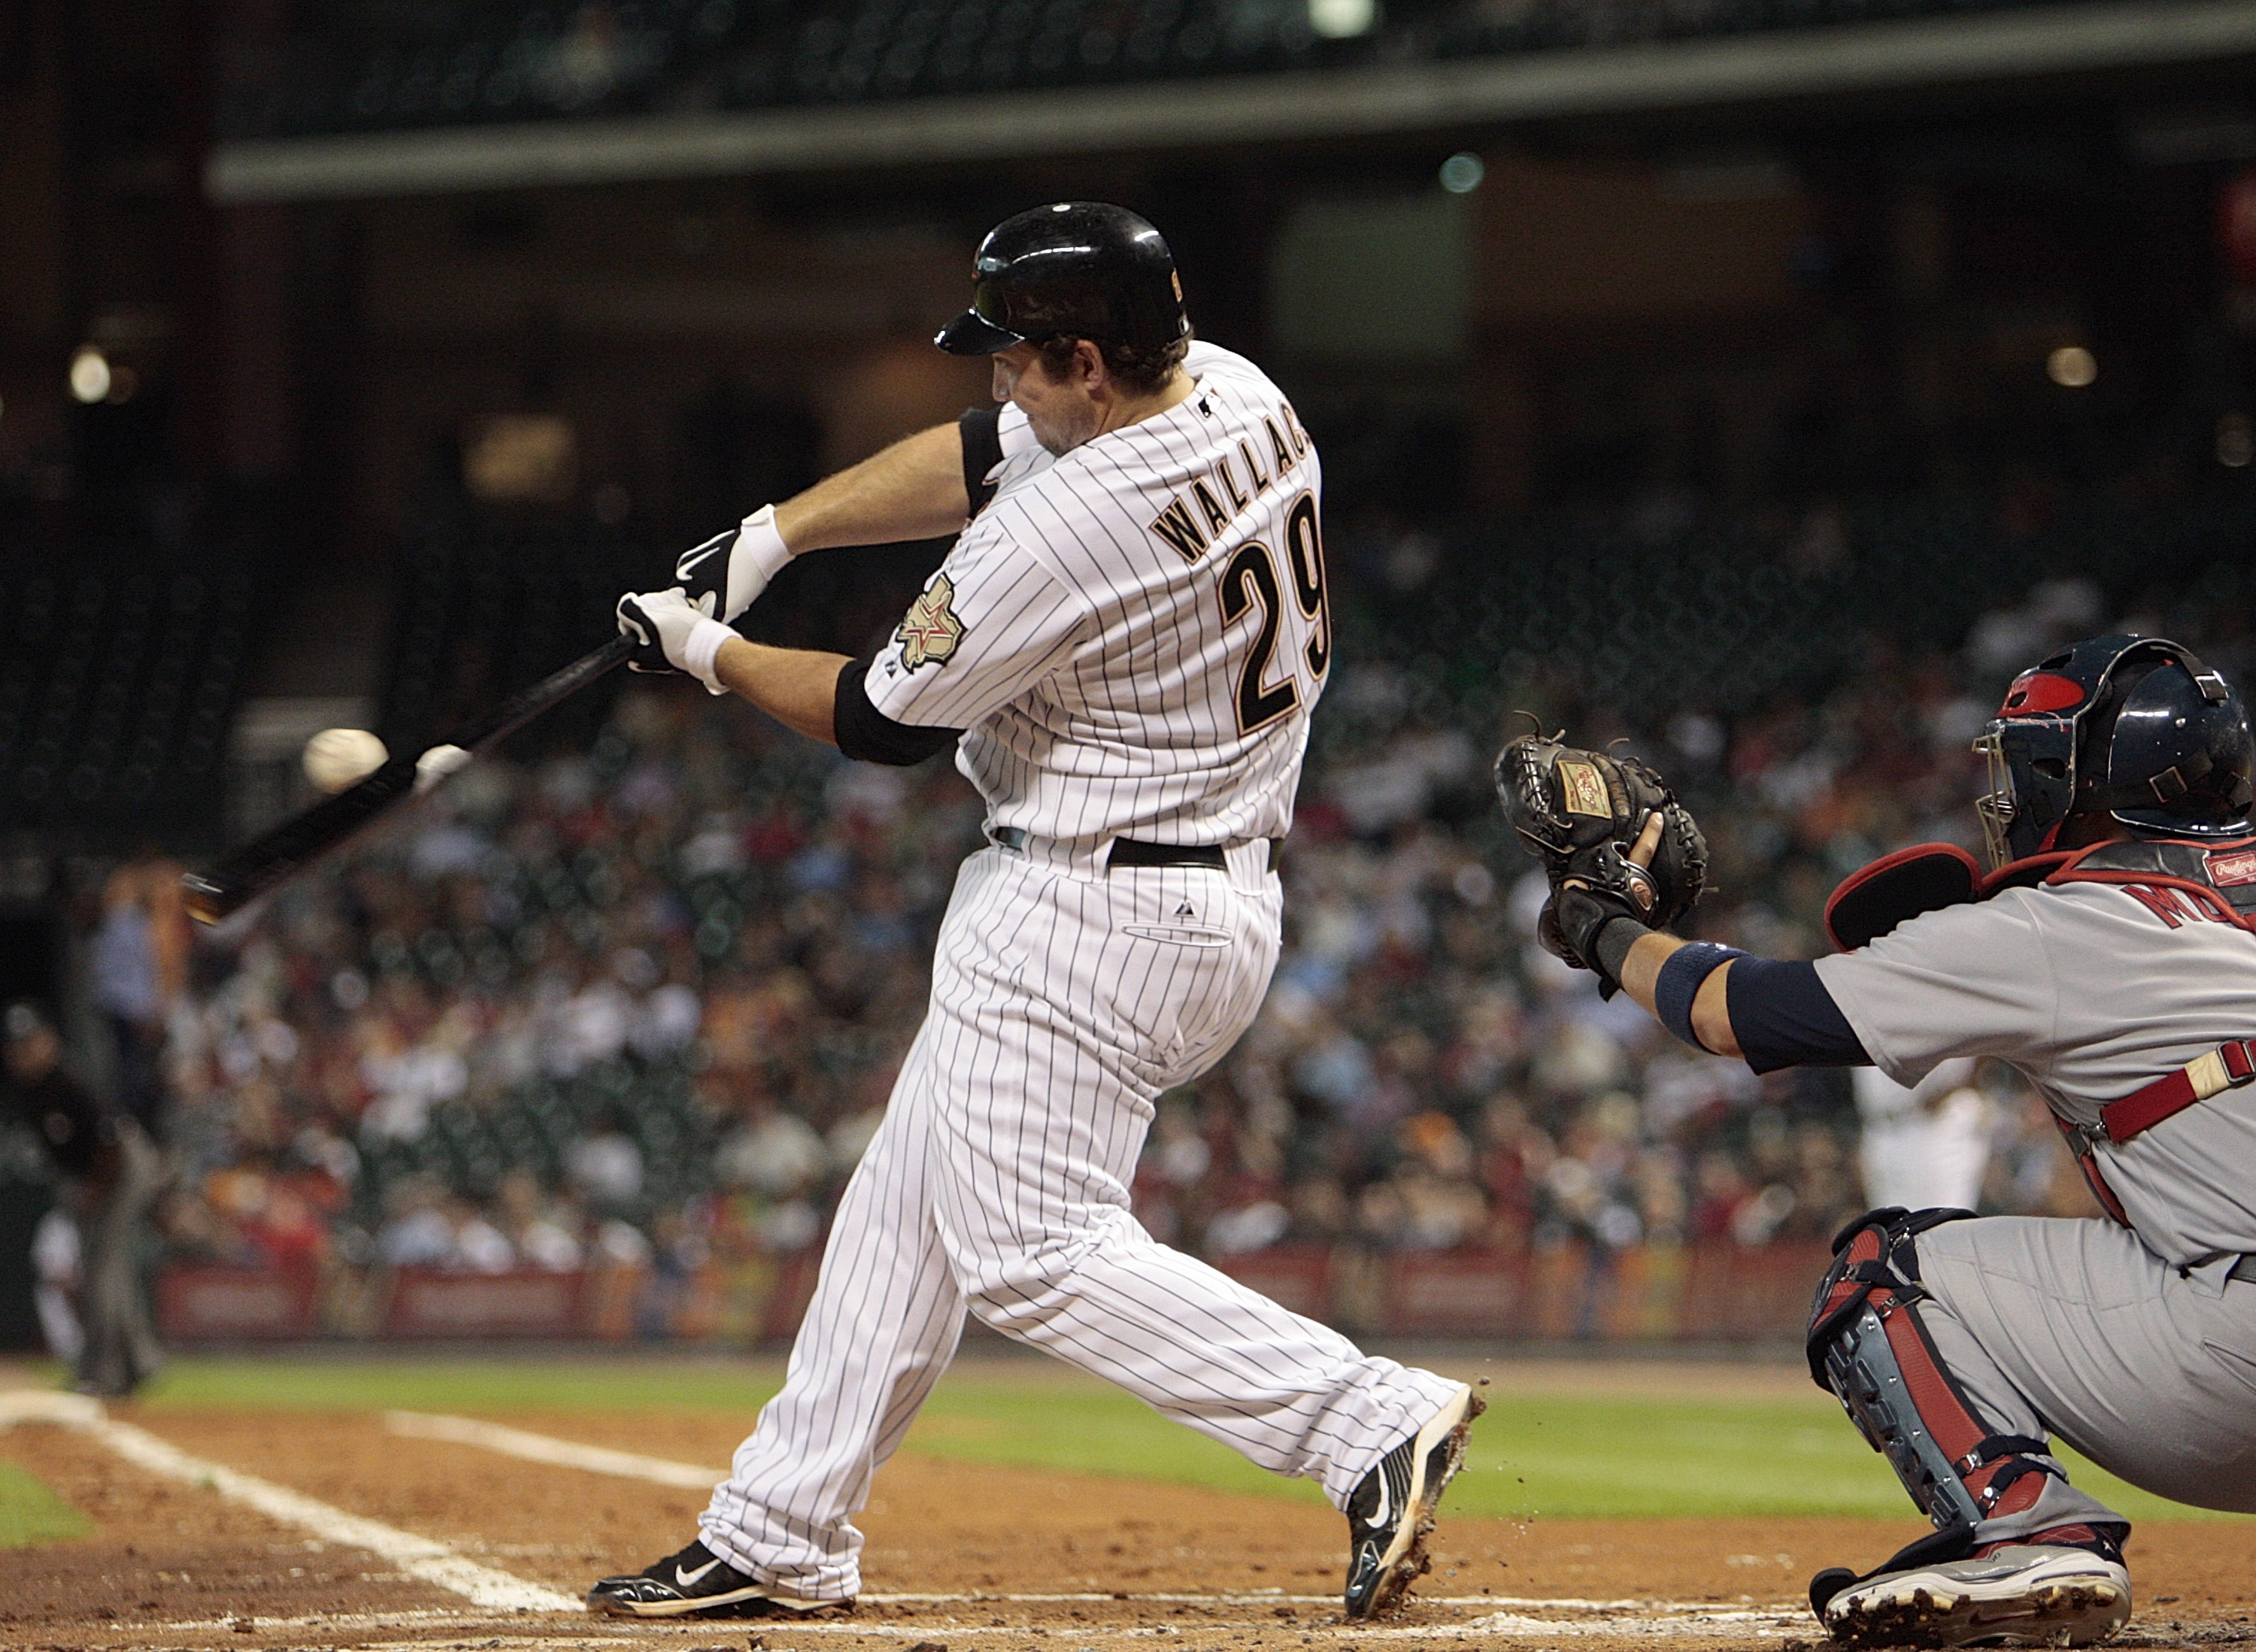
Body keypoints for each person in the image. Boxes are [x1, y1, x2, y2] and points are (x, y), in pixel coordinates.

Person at [587, 202, 1479, 1620]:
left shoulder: (1072, 523)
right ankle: (780, 1526)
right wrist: (773, 532)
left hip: (1087, 905)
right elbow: (977, 453)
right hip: (1199, 889)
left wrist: (704, 646)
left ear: (1085, 360)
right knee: (908, 1208)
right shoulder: (1239, 388)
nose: (998, 381)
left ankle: (1359, 1421)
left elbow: (880, 717)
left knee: (1026, 1248)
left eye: (1020, 357)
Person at [1532, 634, 2256, 1647]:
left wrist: (1602, 926)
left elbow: (1745, 1014)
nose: (2013, 789)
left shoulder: (2064, 923)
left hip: (2241, 1372)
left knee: (1884, 1270)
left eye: (2033, 764)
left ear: (2077, 781)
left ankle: (2019, 1531)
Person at [2, 1002, 165, 1397]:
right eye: (15, 1045)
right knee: (104, 1269)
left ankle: (105, 1372)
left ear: (48, 1041)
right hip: (93, 1177)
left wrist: (94, 1188)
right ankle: (139, 1363)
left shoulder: (68, 1079)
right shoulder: (30, 1091)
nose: (24, 1052)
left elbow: (111, 1140)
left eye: (30, 1042)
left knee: (101, 1271)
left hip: (123, 1169)